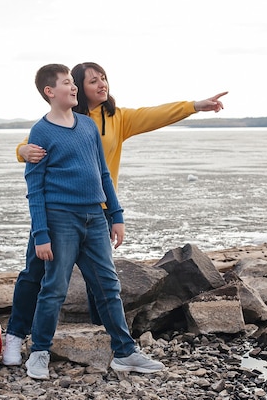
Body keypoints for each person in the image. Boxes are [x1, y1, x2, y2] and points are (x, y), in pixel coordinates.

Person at [3, 62, 226, 366]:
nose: (101, 84)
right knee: (36, 276)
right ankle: (16, 337)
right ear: (76, 87)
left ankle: (113, 344)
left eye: (103, 79)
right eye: (92, 81)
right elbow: (35, 152)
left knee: (104, 283)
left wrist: (195, 106)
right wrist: (21, 150)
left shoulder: (116, 119)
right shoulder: (62, 118)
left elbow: (155, 115)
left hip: (99, 209)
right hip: (59, 213)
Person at [20, 63, 164, 379]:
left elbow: (102, 175)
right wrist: (41, 234)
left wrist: (116, 215)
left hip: (95, 219)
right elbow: (35, 187)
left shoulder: (87, 126)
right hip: (61, 220)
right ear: (49, 92)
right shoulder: (41, 132)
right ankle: (39, 354)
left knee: (108, 286)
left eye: (74, 83)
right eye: (67, 83)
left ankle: (125, 353)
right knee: (54, 287)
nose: (73, 88)